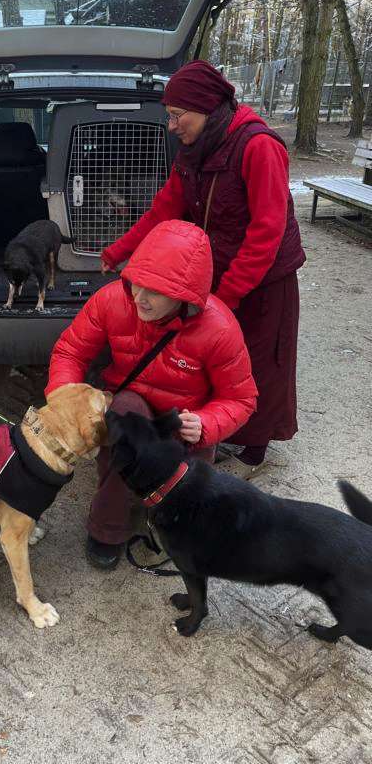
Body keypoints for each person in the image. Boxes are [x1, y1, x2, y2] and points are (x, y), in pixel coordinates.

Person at [101, 60, 305, 479]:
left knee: (260, 357)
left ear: (207, 108)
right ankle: (222, 428)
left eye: (178, 116)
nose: (172, 126)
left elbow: (267, 232)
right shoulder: (193, 151)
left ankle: (254, 448)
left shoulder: (258, 146)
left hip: (266, 276)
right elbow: (164, 209)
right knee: (218, 359)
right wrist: (120, 250)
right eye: (169, 116)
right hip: (219, 267)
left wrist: (225, 299)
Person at [46, 220, 258, 569]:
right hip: (130, 404)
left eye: (155, 291)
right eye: (136, 283)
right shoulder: (113, 300)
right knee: (127, 426)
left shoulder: (219, 328)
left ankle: (178, 523)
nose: (139, 297)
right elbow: (70, 351)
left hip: (185, 418)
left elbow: (242, 398)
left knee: (187, 495)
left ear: (185, 295)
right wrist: (65, 397)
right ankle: (108, 528)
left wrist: (206, 424)